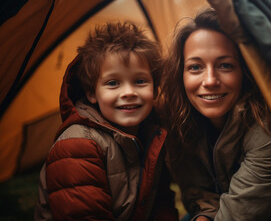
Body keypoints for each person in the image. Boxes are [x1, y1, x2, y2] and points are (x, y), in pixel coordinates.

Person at [159, 8, 271, 221]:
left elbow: (239, 213)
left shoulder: (270, 127)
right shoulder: (180, 118)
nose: (210, 81)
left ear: (245, 72)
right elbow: (197, 192)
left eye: (225, 65)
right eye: (195, 67)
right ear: (181, 75)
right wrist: (203, 216)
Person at [35, 22, 178, 220]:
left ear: (154, 89)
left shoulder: (152, 135)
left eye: (140, 81)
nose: (128, 92)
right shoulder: (78, 145)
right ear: (92, 93)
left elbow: (160, 201)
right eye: (113, 83)